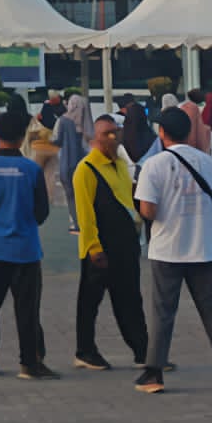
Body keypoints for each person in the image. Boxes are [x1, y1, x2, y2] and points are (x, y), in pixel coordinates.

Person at [134, 107, 212, 395]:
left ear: (162, 133)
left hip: (167, 250)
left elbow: (148, 210)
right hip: (203, 248)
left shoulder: (154, 165)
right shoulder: (207, 162)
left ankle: (154, 373)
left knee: (163, 313)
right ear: (189, 132)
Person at [0, 111, 56, 380]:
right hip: (26, 249)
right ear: (22, 138)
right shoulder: (31, 169)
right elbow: (42, 211)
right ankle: (29, 363)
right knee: (27, 309)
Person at [71, 115, 149, 371]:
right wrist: (94, 248)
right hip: (100, 248)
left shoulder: (119, 165)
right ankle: (85, 351)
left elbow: (128, 201)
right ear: (95, 138)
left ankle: (142, 350)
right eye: (107, 134)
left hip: (125, 244)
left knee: (130, 299)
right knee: (90, 302)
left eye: (116, 132)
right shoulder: (86, 169)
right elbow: (85, 213)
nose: (113, 138)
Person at [53, 94, 93, 231]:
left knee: (70, 194)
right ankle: (86, 221)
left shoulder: (64, 120)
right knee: (85, 195)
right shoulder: (87, 121)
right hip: (84, 163)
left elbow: (58, 140)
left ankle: (76, 223)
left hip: (68, 160)